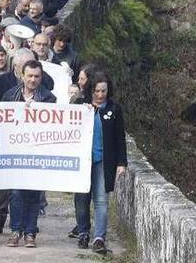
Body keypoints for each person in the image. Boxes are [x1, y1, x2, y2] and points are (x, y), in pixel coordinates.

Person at [3, 60, 57, 248]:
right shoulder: (10, 96)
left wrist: (37, 110)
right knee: (16, 193)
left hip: (37, 153)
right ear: (22, 76)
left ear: (41, 78)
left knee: (34, 193)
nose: (33, 80)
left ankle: (30, 232)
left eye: (36, 76)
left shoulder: (49, 99)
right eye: (29, 76)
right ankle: (15, 230)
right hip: (16, 153)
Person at [73, 71, 127, 254]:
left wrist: (122, 162)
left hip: (103, 161)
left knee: (101, 200)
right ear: (91, 90)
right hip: (82, 161)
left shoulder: (114, 109)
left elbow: (120, 137)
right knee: (81, 198)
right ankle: (83, 232)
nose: (100, 94)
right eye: (97, 91)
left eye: (103, 91)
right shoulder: (80, 106)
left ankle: (99, 238)